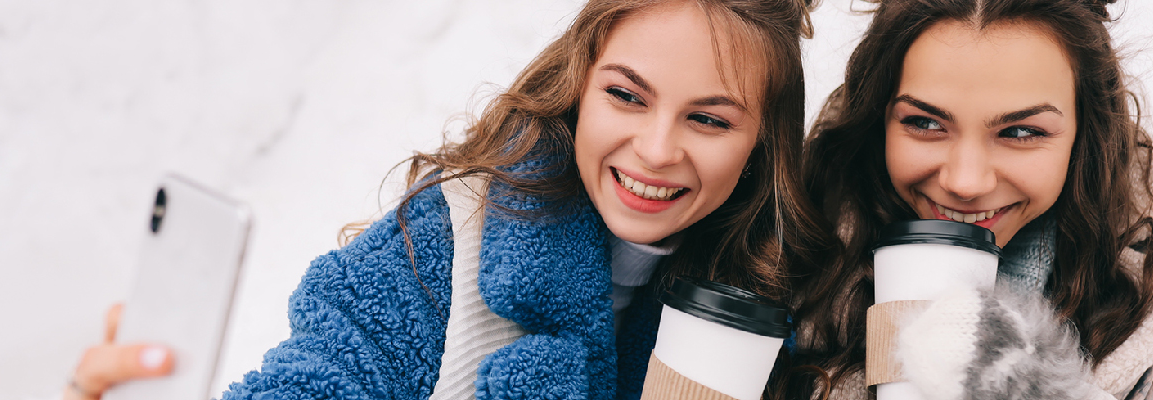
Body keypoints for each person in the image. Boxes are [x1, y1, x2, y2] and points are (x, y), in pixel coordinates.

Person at [65, 0, 831, 399]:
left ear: (761, 142)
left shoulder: (777, 305)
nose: (658, 149)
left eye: (708, 119)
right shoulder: (444, 242)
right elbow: (325, 378)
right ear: (579, 87)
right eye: (627, 96)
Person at [771, 0, 1153, 399]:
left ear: (1084, 133)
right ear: (879, 118)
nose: (966, 183)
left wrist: (1020, 381)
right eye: (925, 123)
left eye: (1021, 132)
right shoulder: (787, 232)